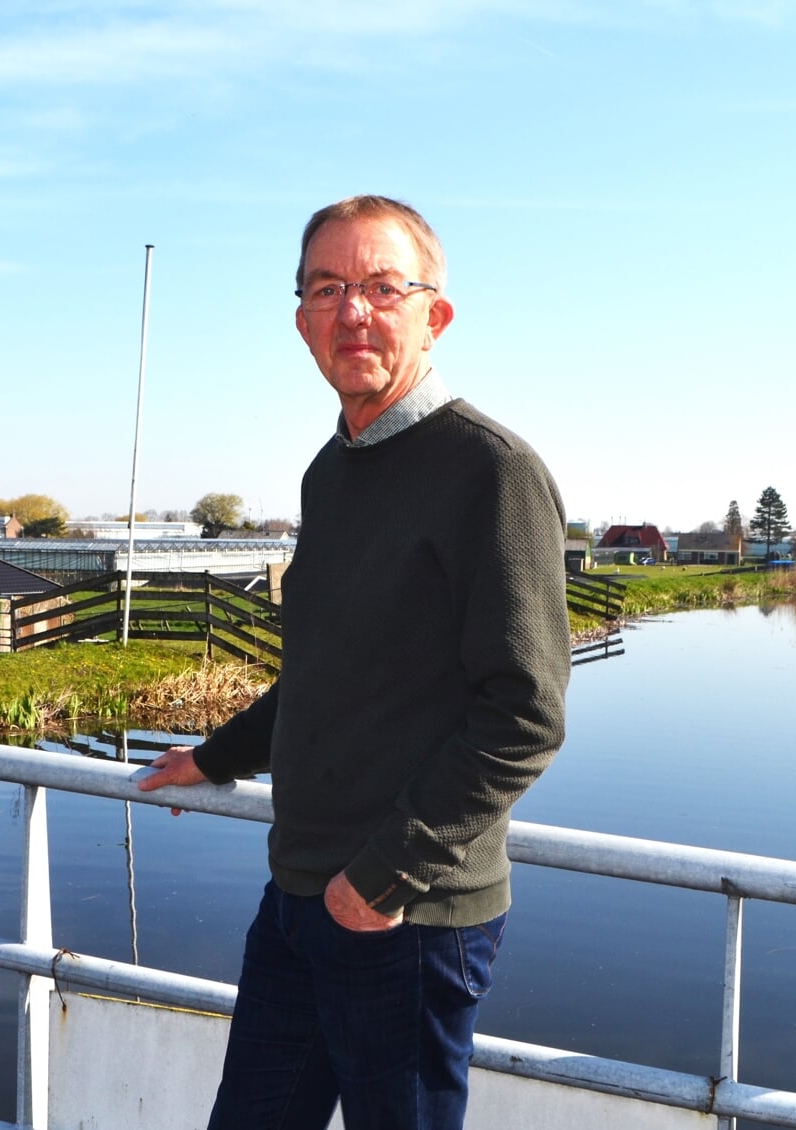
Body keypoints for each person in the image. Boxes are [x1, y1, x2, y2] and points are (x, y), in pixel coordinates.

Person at [136, 194, 569, 1129]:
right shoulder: (330, 472)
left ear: (434, 313)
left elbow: (525, 713)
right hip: (297, 892)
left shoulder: (492, 472)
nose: (353, 311)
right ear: (301, 322)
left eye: (381, 286)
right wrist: (213, 758)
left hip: (406, 914)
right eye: (328, 289)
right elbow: (329, 670)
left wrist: (377, 882)